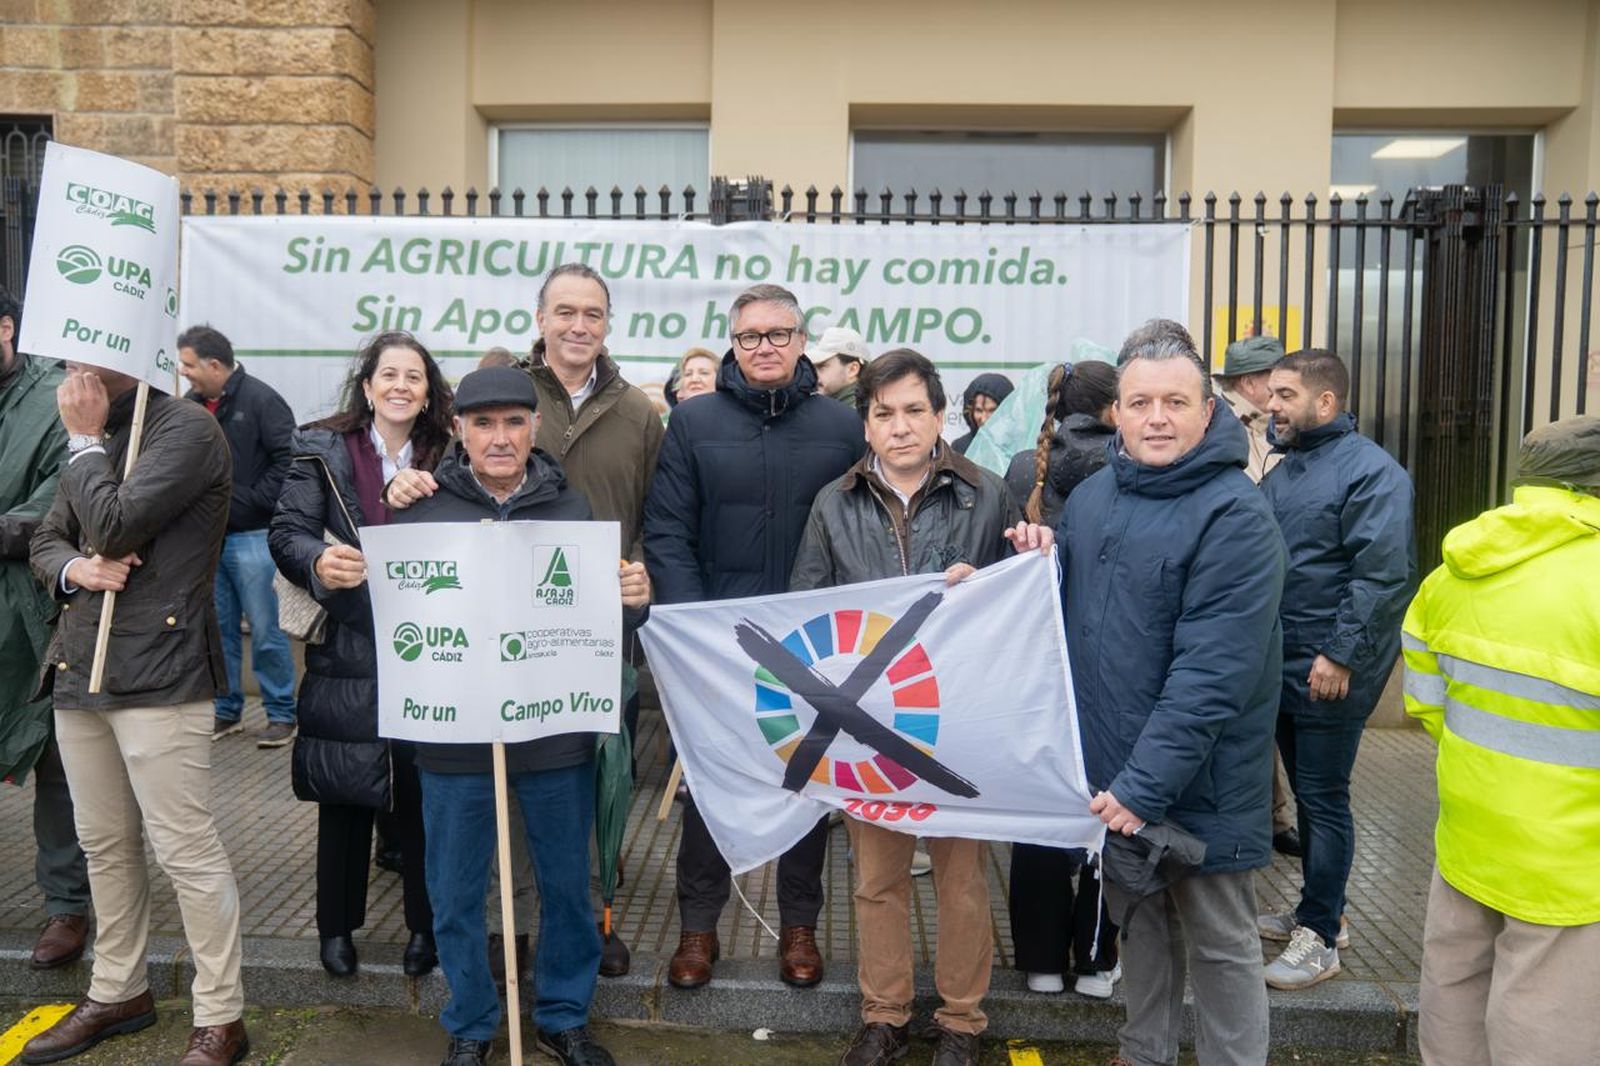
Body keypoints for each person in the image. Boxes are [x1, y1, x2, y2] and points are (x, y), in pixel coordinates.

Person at [388, 263, 665, 978]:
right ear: (539, 318)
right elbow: (412, 560)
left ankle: (577, 964)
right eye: (565, 311)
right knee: (473, 861)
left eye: (594, 313)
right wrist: (397, 497)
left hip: (581, 655)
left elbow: (652, 519)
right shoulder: (500, 389)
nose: (579, 325)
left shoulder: (637, 412)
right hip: (467, 693)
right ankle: (496, 971)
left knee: (582, 826)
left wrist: (637, 579)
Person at [790, 348, 1053, 1066]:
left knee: (962, 880)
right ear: (866, 425)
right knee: (876, 881)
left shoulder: (990, 493)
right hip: (869, 731)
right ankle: (885, 1015)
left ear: (941, 416)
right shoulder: (831, 504)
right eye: (884, 414)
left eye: (914, 410)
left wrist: (1029, 555)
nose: (900, 427)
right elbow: (810, 612)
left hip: (959, 725)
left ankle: (963, 1021)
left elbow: (1024, 608)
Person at [1058, 321, 1285, 1066]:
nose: (1158, 417)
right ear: (1114, 413)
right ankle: (1143, 1052)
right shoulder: (1090, 499)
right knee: (1144, 928)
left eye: (1176, 402)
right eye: (1141, 401)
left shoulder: (1235, 515)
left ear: (1208, 412)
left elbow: (1212, 674)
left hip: (1199, 782)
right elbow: (1072, 618)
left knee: (1222, 944)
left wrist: (1144, 785)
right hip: (1119, 778)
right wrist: (1029, 560)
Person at [644, 282, 866, 990]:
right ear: (732, 343)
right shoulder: (694, 421)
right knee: (712, 785)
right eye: (749, 337)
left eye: (779, 334)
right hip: (717, 643)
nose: (764, 348)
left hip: (812, 646)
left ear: (802, 341)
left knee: (806, 785)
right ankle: (698, 928)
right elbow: (668, 531)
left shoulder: (840, 426)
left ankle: (800, 927)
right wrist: (694, 632)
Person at [26, 363, 248, 1066]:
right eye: (66, 348)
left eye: (89, 343)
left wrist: (86, 443)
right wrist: (78, 570)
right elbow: (47, 538)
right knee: (104, 845)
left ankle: (221, 1016)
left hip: (163, 669)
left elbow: (116, 520)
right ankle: (118, 989)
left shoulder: (186, 428)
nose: (75, 365)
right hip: (80, 666)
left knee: (185, 849)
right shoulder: (91, 434)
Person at [1402, 415, 1600, 1066]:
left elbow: (1426, 705)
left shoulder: (1459, 564)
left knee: (1453, 996)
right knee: (1544, 1019)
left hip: (1468, 833)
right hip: (1573, 861)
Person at [268, 331, 452, 980]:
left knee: (423, 794)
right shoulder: (321, 448)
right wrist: (317, 560)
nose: (401, 386)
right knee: (343, 790)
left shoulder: (450, 452)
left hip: (431, 644)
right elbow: (285, 533)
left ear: (428, 392)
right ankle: (335, 929)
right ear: (368, 386)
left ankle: (426, 929)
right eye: (389, 375)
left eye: (414, 376)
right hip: (348, 639)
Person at [1257, 350, 1416, 990]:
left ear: (1326, 403)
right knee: (1309, 795)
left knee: (1323, 801)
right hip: (1288, 662)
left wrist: (1339, 654)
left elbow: (1381, 574)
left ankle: (1320, 936)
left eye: (1285, 394)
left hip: (1328, 670)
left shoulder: (1373, 473)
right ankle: (1322, 910)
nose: (1272, 405)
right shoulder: (1289, 467)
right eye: (1272, 393)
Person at [1001, 358, 1122, 999]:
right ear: (1115, 408)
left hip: (1036, 668)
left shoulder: (1026, 466)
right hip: (1110, 667)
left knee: (1040, 811)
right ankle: (1099, 963)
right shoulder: (1131, 467)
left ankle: (1042, 962)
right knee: (1106, 812)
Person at [0, 286, 91, 972]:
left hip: (33, 612)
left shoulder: (52, 398)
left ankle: (67, 906)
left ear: (8, 328)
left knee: (58, 761)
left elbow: (55, 508)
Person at [176, 325, 299, 747]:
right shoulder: (191, 406)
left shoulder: (262, 400)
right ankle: (227, 711)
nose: (184, 372)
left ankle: (282, 713)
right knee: (218, 631)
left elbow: (290, 461)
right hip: (209, 542)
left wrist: (248, 502)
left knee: (265, 631)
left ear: (214, 364)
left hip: (254, 537)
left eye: (189, 364)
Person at [1213, 334, 1300, 859]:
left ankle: (1272, 817)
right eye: (1275, 381)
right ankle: (1260, 822)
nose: (1281, 394)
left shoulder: (1276, 429)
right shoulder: (1226, 426)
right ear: (1251, 382)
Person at [950, 373, 1013, 454]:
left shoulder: (1018, 446)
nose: (984, 419)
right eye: (978, 410)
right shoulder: (960, 448)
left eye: (991, 411)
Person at [809, 325, 871, 407]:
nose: (813, 375)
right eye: (812, 367)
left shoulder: (860, 413)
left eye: (822, 367)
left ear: (852, 370)